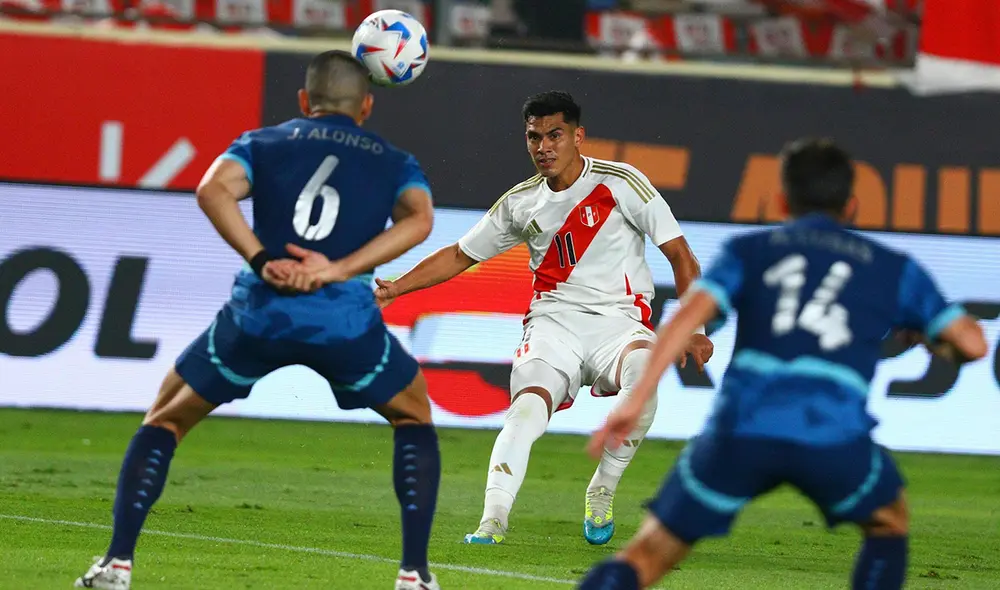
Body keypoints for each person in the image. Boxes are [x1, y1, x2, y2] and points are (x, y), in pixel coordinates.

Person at [75, 50, 443, 590]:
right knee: (413, 414)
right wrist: (336, 269)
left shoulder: (263, 142)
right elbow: (420, 219)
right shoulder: (394, 160)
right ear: (365, 106)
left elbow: (211, 190)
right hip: (343, 321)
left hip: (258, 315)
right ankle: (414, 574)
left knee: (166, 416)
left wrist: (261, 260)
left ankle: (115, 564)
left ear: (303, 101)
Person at [577, 137, 989, 590]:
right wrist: (935, 339)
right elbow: (972, 344)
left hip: (740, 433)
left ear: (780, 201)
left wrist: (634, 401)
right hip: (832, 436)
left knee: (648, 554)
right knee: (889, 520)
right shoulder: (893, 267)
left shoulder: (749, 251)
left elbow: (688, 316)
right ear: (852, 207)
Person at [374, 90, 714, 546]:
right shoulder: (520, 203)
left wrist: (695, 328)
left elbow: (680, 254)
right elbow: (460, 254)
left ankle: (602, 489)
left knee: (645, 381)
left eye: (554, 135)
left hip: (621, 324)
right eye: (534, 137)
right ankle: (492, 521)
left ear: (578, 136)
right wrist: (396, 287)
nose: (543, 147)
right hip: (554, 326)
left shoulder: (621, 182)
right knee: (525, 411)